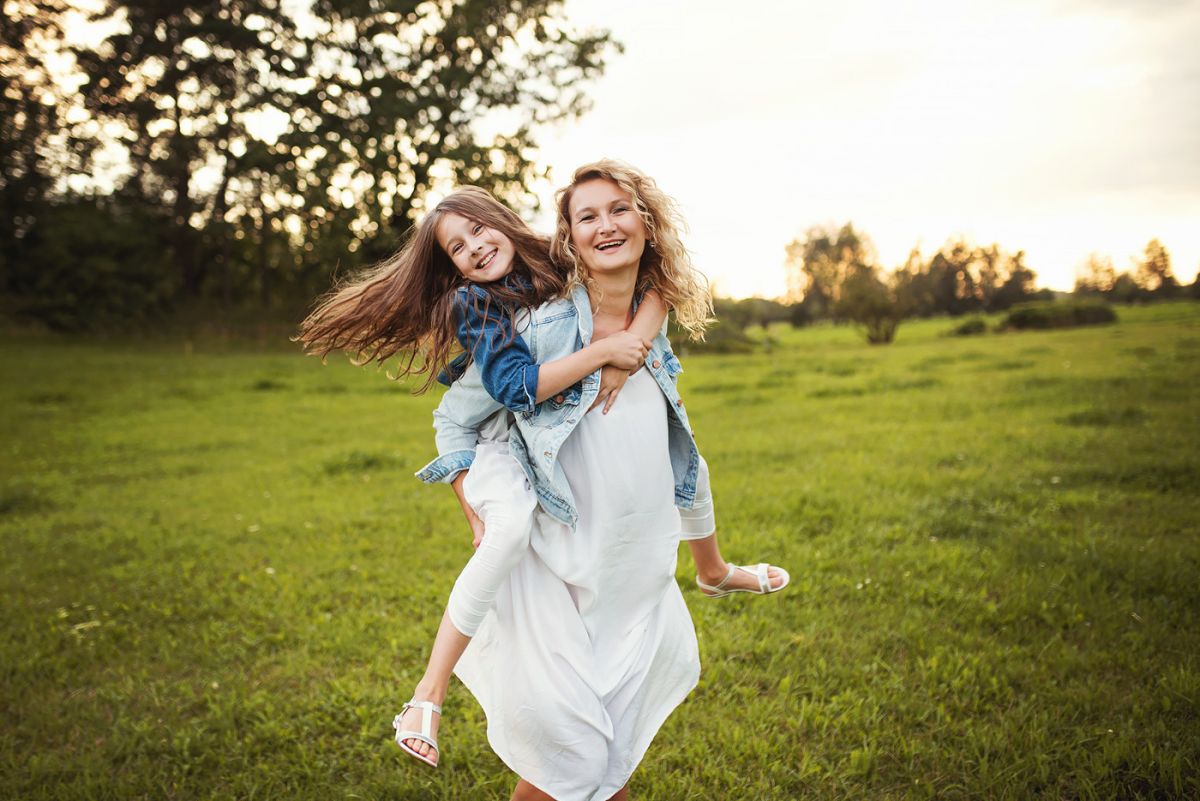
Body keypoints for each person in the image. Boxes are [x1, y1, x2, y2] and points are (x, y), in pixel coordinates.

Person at [422, 160, 786, 799]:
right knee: (577, 759)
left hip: (632, 565)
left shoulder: (652, 306)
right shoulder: (541, 322)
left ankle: (713, 573)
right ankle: (428, 691)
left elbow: (686, 461)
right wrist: (468, 498)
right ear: (567, 237)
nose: (606, 226)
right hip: (563, 561)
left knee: (598, 760)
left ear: (647, 221)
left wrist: (634, 347)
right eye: (586, 216)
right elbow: (462, 413)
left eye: (620, 210)